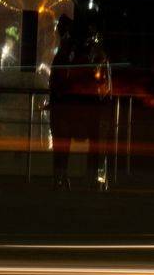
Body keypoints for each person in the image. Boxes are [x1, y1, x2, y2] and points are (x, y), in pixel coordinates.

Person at [49, 15, 114, 190]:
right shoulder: (98, 54)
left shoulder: (65, 52)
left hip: (66, 104)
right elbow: (106, 85)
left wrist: (56, 100)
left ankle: (60, 177)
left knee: (62, 143)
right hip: (93, 105)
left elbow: (54, 81)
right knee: (98, 144)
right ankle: (98, 179)